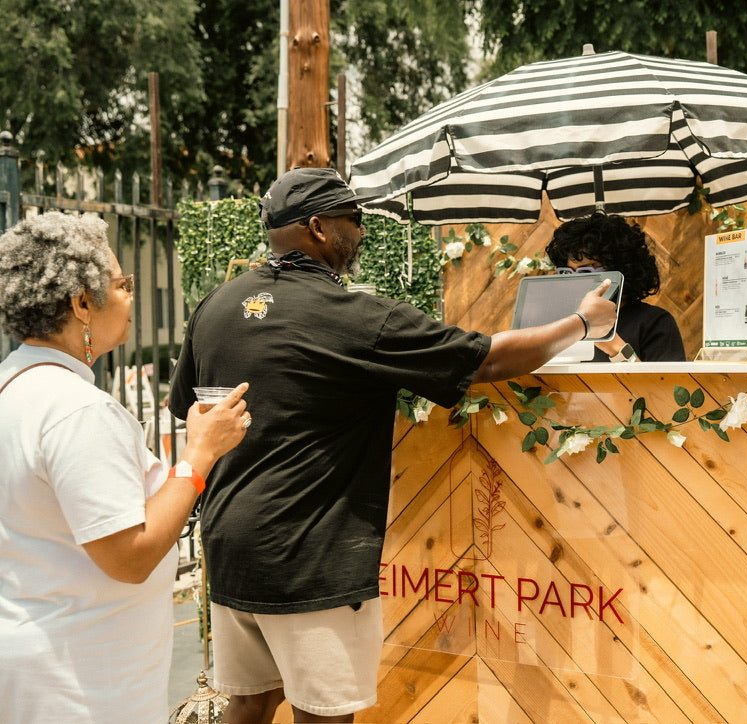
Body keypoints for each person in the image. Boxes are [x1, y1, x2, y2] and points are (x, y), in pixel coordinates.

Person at [167, 166, 617, 724]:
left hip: (232, 545)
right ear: (317, 228)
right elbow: (487, 359)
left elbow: (190, 407)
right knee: (324, 713)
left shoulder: (215, 307)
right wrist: (580, 322)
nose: (360, 232)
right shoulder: (357, 318)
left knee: (249, 702)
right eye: (352, 220)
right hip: (313, 557)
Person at [0, 212, 251, 723]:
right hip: (82, 684)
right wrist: (198, 456)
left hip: (41, 659)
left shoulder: (13, 384)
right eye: (122, 284)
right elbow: (129, 556)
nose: (130, 297)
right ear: (80, 303)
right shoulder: (77, 411)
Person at [545, 211, 685, 362]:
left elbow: (665, 384)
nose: (576, 281)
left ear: (620, 270)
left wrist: (614, 347)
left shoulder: (654, 322)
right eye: (567, 273)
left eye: (586, 271)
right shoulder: (560, 323)